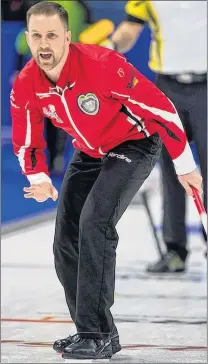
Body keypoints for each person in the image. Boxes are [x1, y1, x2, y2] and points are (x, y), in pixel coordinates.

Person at [11, 1, 203, 360]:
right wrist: (37, 176)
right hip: (90, 150)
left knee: (95, 223)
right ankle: (96, 332)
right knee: (65, 239)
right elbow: (27, 137)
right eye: (36, 35)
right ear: (27, 37)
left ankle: (95, 334)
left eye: (52, 35)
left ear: (67, 37)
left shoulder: (102, 66)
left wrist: (184, 166)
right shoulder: (27, 83)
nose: (44, 44)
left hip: (135, 143)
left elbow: (162, 108)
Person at [103, 0, 207, 273]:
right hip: (167, 87)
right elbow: (130, 28)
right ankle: (175, 250)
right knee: (172, 170)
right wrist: (111, 46)